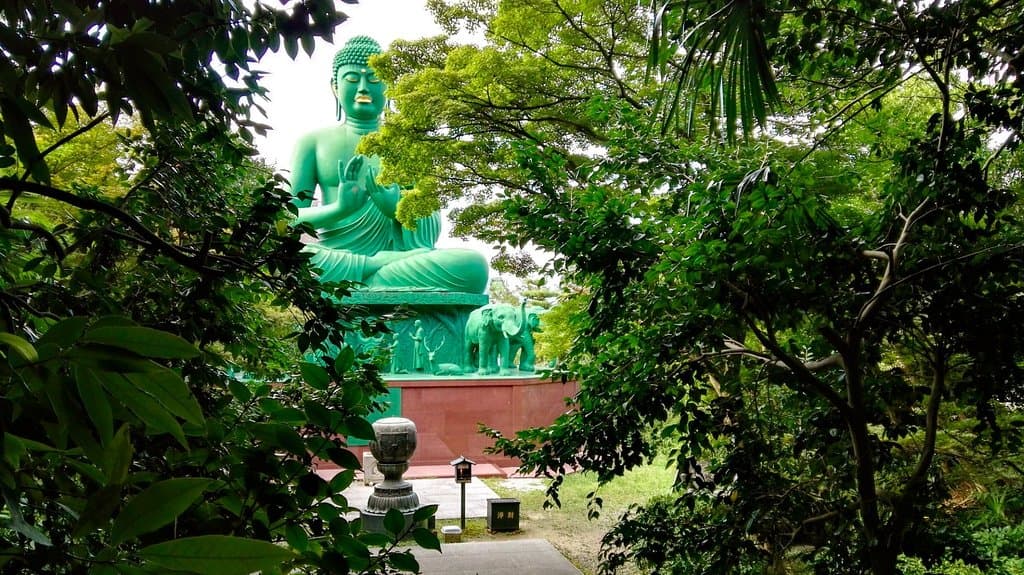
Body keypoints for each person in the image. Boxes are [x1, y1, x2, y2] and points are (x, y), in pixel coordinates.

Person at [290, 36, 488, 292]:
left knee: (473, 266)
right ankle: (373, 269)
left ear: (388, 86)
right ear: (335, 87)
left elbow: (430, 229)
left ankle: (368, 278)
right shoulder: (312, 142)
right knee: (293, 257)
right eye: (352, 79)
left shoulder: (411, 143)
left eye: (374, 80)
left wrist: (395, 207)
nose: (363, 88)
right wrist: (340, 209)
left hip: (398, 262)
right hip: (335, 257)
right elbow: (287, 221)